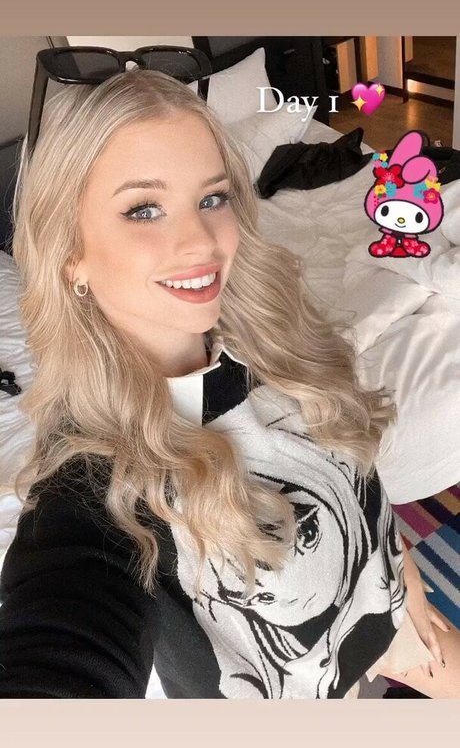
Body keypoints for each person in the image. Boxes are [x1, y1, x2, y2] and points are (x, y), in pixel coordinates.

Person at [0, 65, 458, 699]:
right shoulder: (92, 486)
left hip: (392, 624)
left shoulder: (274, 339)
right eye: (143, 209)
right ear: (72, 253)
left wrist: (402, 579)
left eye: (212, 199)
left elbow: (357, 470)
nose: (201, 242)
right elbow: (60, 646)